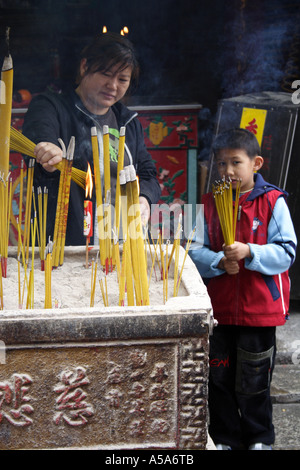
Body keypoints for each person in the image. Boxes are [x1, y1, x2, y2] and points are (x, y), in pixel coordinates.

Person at [189, 128, 297, 450]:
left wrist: (251, 252)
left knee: (254, 382)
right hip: (220, 312)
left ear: (256, 163)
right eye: (221, 164)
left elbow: (287, 251)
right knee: (218, 380)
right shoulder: (207, 204)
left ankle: (260, 439)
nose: (228, 171)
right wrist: (219, 262)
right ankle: (224, 439)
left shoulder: (272, 202)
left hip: (259, 313)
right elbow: (193, 251)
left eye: (236, 162)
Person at [22, 32, 161, 246]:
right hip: (67, 244)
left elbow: (148, 174)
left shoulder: (127, 122)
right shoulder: (51, 107)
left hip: (121, 241)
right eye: (106, 74)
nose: (113, 86)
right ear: (84, 66)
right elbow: (39, 144)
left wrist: (144, 198)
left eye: (122, 79)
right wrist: (48, 154)